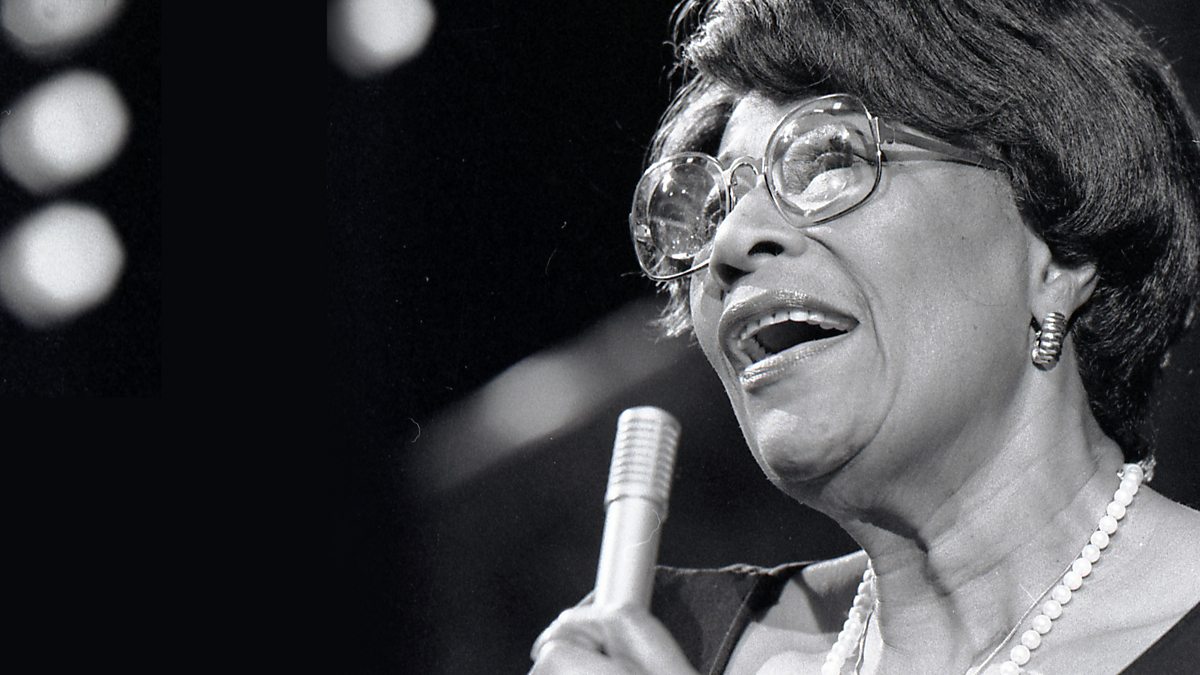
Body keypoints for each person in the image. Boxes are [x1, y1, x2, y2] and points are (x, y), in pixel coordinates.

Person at [529, 0, 1200, 673]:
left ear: (1060, 255)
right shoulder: (661, 645)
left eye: (829, 159)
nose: (730, 241)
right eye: (714, 210)